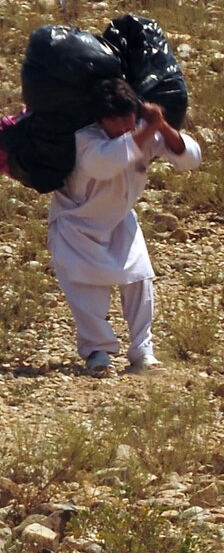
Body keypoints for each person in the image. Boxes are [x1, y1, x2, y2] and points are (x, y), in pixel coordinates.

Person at [50, 78, 201, 377]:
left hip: (119, 220)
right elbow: (105, 163)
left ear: (135, 113)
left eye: (126, 120)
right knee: (86, 290)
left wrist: (162, 126)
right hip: (75, 225)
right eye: (113, 121)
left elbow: (190, 159)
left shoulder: (144, 132)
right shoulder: (86, 140)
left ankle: (143, 352)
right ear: (100, 119)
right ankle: (98, 352)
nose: (121, 127)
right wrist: (148, 130)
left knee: (139, 280)